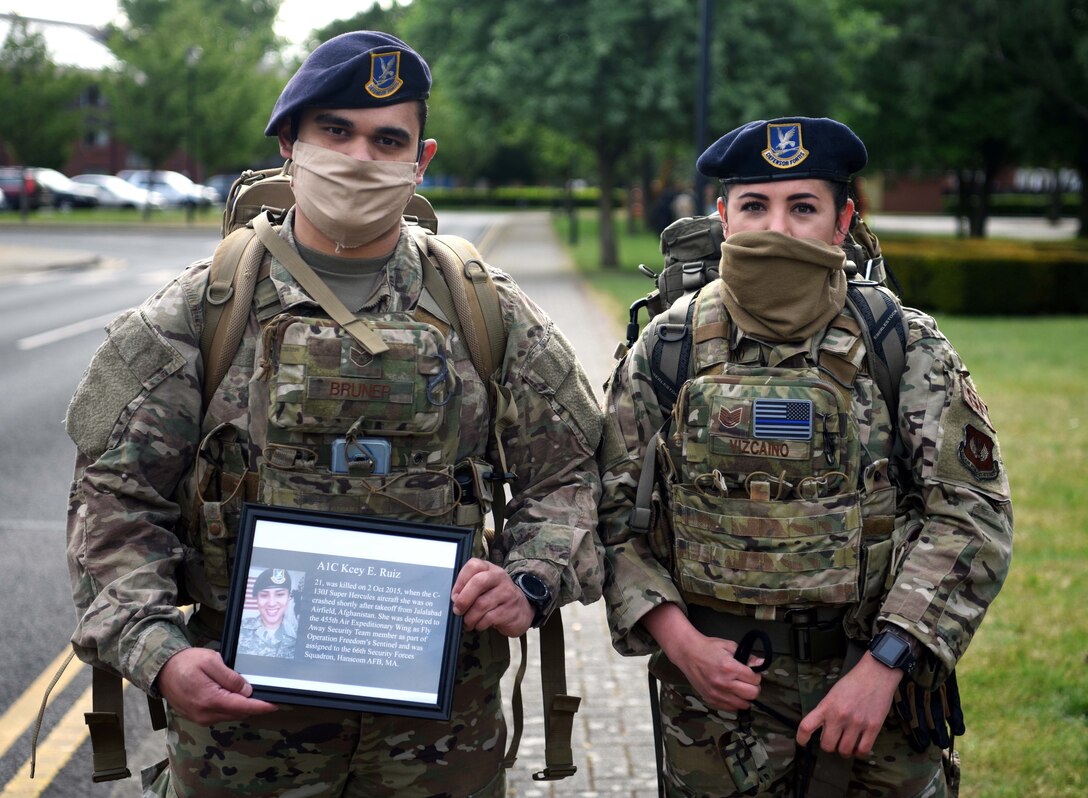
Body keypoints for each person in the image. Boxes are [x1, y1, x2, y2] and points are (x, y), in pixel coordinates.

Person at [63, 31, 603, 797]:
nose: (359, 158)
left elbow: (574, 472)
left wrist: (531, 579)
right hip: (241, 731)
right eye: (336, 131)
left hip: (442, 734)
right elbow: (112, 500)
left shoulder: (485, 310)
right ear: (291, 142)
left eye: (389, 140)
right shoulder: (200, 311)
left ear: (423, 160)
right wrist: (160, 653)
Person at [598, 117, 1012, 796]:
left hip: (875, 701)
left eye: (803, 207)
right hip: (711, 710)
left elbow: (971, 517)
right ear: (724, 216)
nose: (778, 229)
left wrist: (885, 666)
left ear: (843, 221)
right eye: (756, 205)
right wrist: (680, 643)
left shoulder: (902, 345)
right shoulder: (669, 348)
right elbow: (611, 515)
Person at [237, 568, 297, 659]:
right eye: (264, 595)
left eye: (280, 594)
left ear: (289, 597)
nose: (271, 603)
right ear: (256, 598)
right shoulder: (239, 627)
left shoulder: (297, 637)